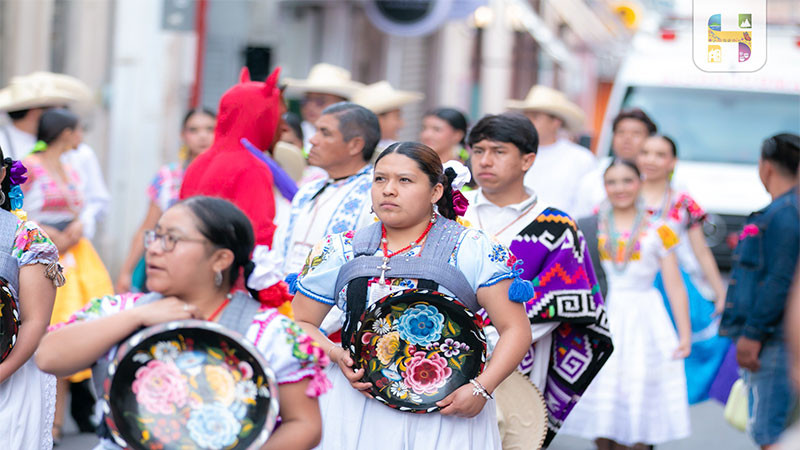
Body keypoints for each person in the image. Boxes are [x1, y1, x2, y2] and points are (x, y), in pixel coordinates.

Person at [37, 196, 330, 450]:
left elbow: (304, 424)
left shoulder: (271, 332)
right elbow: (49, 357)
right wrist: (136, 317)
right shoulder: (118, 310)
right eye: (155, 236)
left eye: (172, 240)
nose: (153, 249)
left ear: (220, 258)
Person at [291, 142, 532, 449]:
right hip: (355, 407)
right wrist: (337, 354)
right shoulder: (340, 249)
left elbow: (515, 328)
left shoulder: (474, 248)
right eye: (380, 179)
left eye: (404, 180)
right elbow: (301, 322)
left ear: (436, 192)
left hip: (447, 408)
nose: (388, 190)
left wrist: (482, 389)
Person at [462, 113, 613, 446]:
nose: (485, 161)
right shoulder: (451, 212)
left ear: (528, 159)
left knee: (509, 437)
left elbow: (566, 300)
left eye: (498, 151)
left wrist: (495, 337)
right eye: (478, 150)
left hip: (520, 355)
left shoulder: (556, 226)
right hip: (437, 348)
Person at [560, 159, 691, 449]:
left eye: (627, 181)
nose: (620, 188)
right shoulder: (587, 226)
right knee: (603, 395)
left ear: (640, 182)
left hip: (645, 318)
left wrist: (684, 335)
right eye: (612, 182)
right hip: (603, 314)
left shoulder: (663, 228)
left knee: (640, 393)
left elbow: (675, 284)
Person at [21, 108, 114, 442]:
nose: (81, 136)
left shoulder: (72, 167)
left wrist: (75, 229)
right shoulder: (28, 165)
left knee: (67, 327)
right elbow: (15, 206)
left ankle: (54, 422)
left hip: (74, 254)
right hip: (37, 250)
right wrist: (44, 232)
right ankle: (45, 420)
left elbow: (83, 207)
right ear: (64, 133)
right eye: (78, 130)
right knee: (39, 332)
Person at [720, 133, 800, 450]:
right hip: (774, 337)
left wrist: (752, 334)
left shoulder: (784, 215)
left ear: (765, 167)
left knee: (769, 432)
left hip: (774, 341)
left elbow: (778, 281)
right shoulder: (784, 210)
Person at [637, 134, 730, 404]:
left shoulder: (682, 202)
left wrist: (720, 292)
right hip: (632, 286)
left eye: (660, 154)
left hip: (672, 287)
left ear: (672, 161)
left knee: (672, 357)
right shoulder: (622, 193)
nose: (651, 160)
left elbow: (701, 250)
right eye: (646, 152)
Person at [0, 143, 63, 450]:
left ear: (1, 175)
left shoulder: (27, 237)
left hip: (10, 375)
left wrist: (1, 373)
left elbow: (35, 321)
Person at [0, 72, 111, 241]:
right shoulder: (4, 142)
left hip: (72, 243)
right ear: (36, 112)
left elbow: (98, 200)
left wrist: (81, 224)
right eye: (59, 109)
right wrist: (34, 228)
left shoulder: (80, 152)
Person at [179, 67, 282, 249]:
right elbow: (258, 239)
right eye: (277, 117)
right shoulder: (252, 167)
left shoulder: (199, 162)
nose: (282, 127)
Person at [116, 108, 216, 293]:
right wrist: (126, 271)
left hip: (208, 267)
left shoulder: (225, 174)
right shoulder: (168, 176)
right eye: (193, 130)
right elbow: (148, 225)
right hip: (166, 262)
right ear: (183, 135)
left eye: (210, 129)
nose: (202, 136)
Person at [506, 85, 595, 215]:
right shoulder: (513, 154)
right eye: (526, 116)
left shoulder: (580, 158)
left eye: (535, 117)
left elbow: (585, 205)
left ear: (556, 122)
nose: (528, 122)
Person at [573, 108, 657, 218]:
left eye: (636, 133)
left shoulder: (659, 180)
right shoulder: (593, 179)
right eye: (621, 132)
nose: (627, 139)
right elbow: (580, 220)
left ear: (650, 139)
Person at [284, 63, 365, 151]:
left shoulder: (353, 140)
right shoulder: (290, 134)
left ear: (342, 105)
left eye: (320, 101)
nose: (310, 106)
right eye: (306, 100)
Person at [352, 81, 423, 152]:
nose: (402, 124)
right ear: (377, 119)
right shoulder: (354, 151)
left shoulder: (394, 150)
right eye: (397, 117)